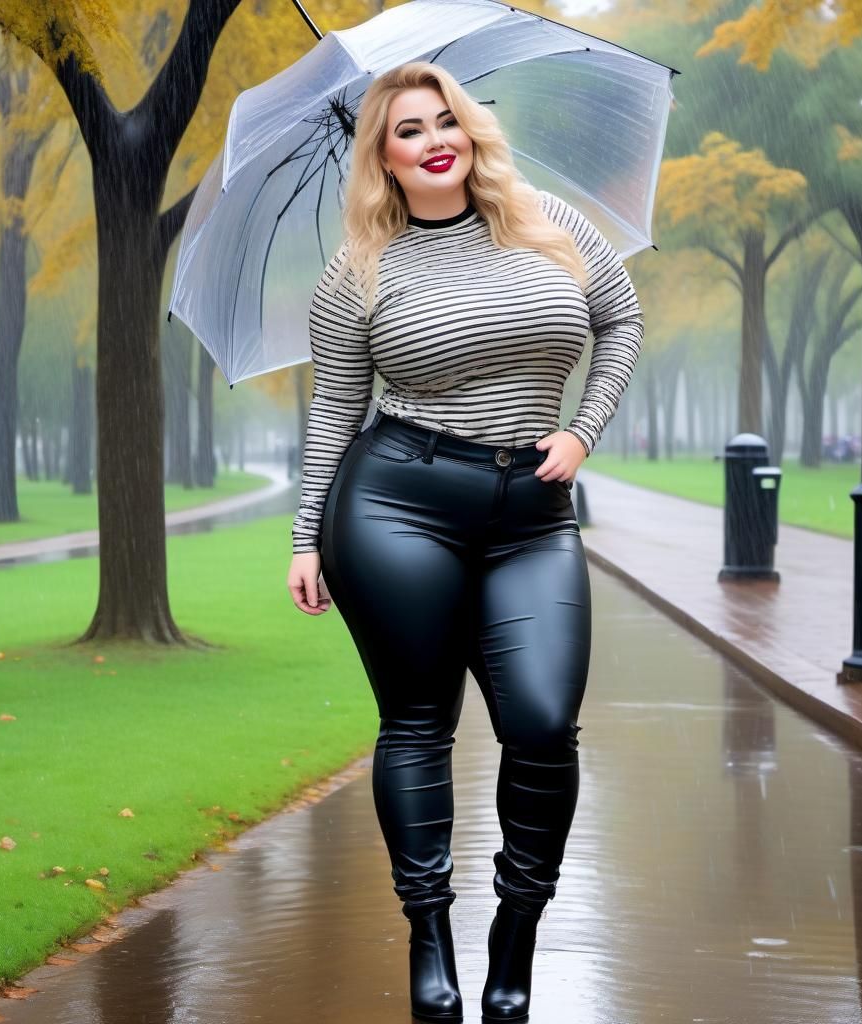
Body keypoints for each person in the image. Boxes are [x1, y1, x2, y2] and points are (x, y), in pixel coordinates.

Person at [287, 62, 644, 1022]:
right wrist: (305, 536)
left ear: (473, 129)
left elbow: (620, 322)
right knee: (416, 723)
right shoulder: (355, 272)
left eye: (448, 119)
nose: (435, 138)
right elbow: (333, 410)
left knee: (540, 724)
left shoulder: (553, 226)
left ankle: (516, 935)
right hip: (397, 503)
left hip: (531, 510)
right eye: (409, 130)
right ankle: (430, 931)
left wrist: (582, 429)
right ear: (384, 158)